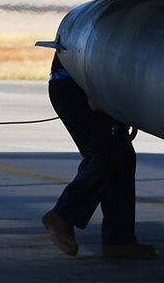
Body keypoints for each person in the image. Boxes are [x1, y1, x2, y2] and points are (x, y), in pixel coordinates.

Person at [42, 53, 154, 257]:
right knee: (105, 155)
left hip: (95, 89)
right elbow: (96, 101)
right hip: (76, 88)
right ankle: (62, 216)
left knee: (123, 157)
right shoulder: (113, 27)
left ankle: (119, 241)